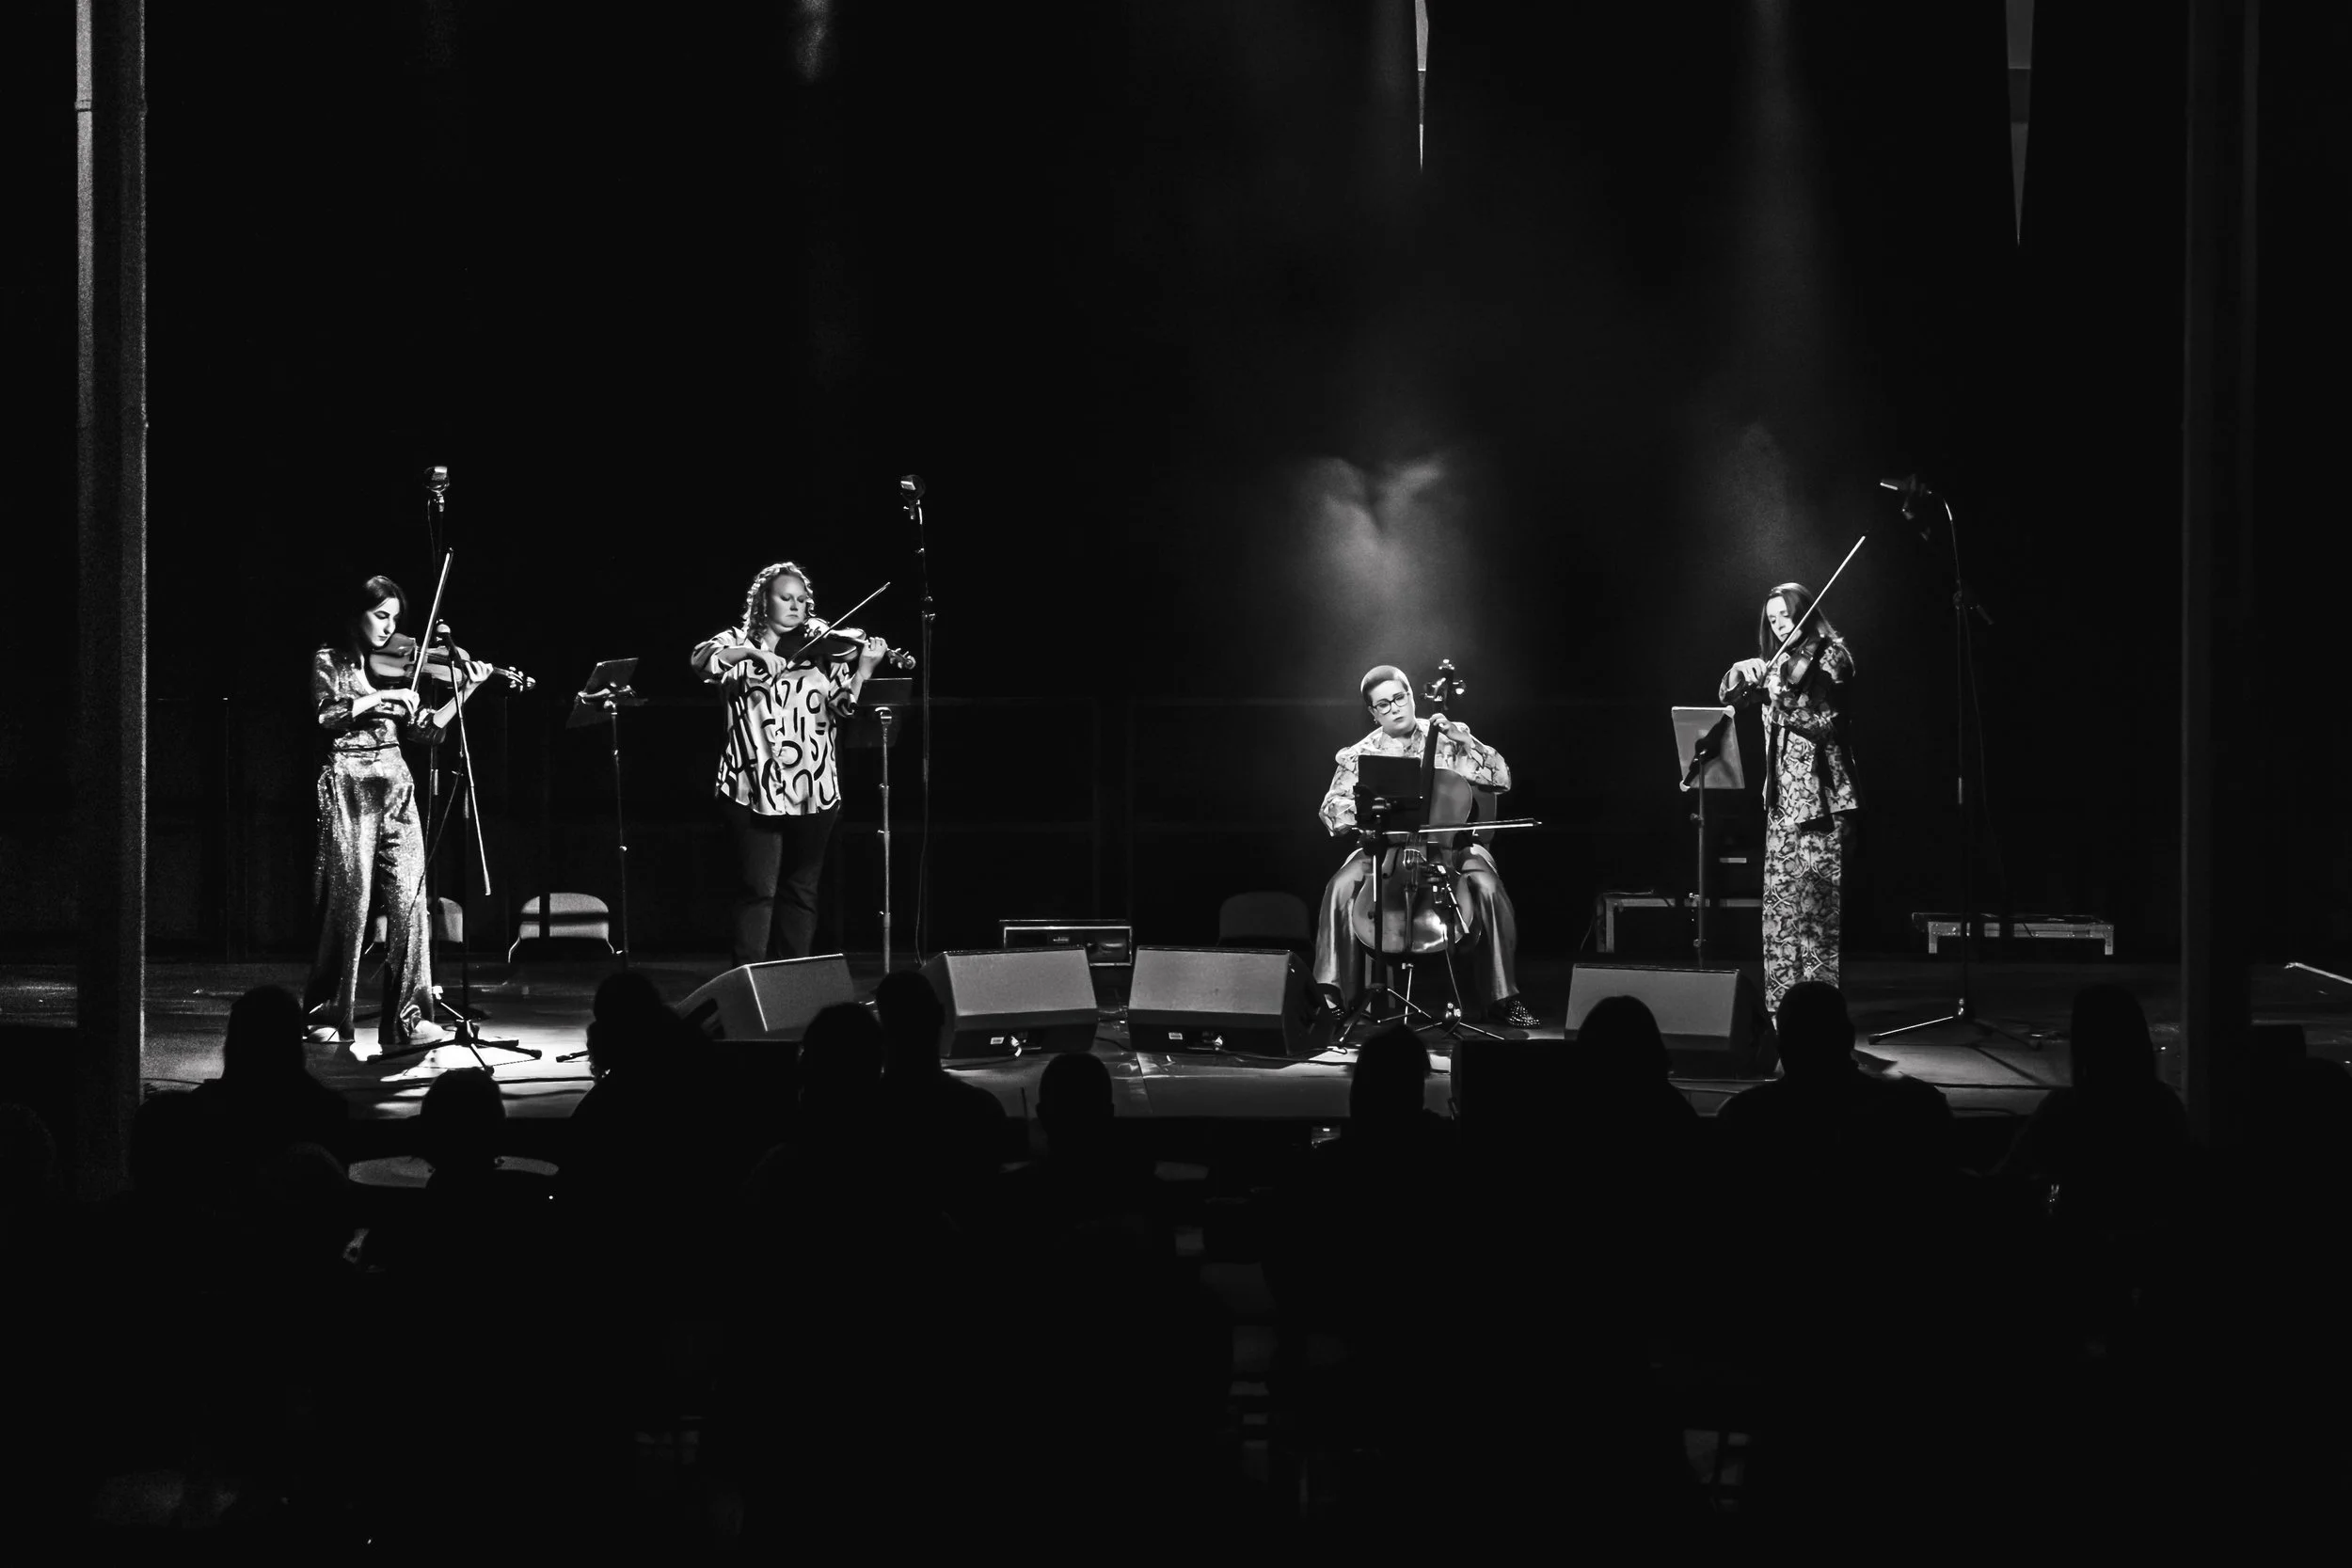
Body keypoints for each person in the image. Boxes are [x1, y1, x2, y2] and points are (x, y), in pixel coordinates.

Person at [303, 574, 488, 1055]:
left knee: (411, 900)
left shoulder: (398, 669)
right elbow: (327, 714)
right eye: (380, 615)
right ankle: (327, 1011)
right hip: (349, 783)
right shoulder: (332, 659)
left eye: (395, 619)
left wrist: (465, 692)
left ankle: (408, 1020)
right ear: (356, 612)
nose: (389, 629)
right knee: (349, 901)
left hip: (396, 784)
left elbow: (428, 731)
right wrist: (380, 698)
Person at [691, 562, 893, 968]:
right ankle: (749, 985)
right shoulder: (736, 640)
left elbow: (843, 707)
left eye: (802, 599)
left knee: (802, 891)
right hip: (752, 785)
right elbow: (701, 661)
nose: (796, 606)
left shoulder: (822, 646)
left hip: (813, 787)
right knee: (757, 890)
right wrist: (751, 653)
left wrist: (863, 672)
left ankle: (791, 983)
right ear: (764, 601)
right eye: (786, 598)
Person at [1311, 665, 1535, 1029]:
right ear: (1373, 712)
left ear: (1412, 695)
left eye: (1400, 698)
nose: (1395, 708)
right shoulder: (1360, 754)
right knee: (1339, 887)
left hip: (1451, 846)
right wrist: (1366, 809)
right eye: (1383, 705)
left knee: (1489, 886)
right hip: (1387, 851)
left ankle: (1502, 996)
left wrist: (1467, 742)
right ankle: (1332, 994)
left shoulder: (1446, 737)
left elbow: (1501, 779)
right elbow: (1331, 812)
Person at [1720, 582, 1859, 1013]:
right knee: (1779, 912)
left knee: (1817, 914)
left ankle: (1820, 1014)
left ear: (1805, 612)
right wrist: (1740, 674)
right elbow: (1728, 696)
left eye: (1787, 615)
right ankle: (1780, 1012)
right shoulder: (1777, 665)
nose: (1780, 626)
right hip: (1781, 803)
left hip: (1822, 801)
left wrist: (1780, 698)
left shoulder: (1832, 657)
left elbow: (1827, 725)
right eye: (1773, 619)